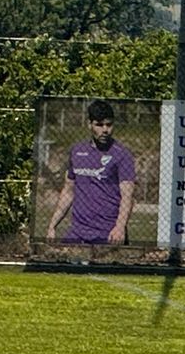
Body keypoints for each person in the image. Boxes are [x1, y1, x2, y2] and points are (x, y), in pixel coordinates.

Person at [46, 99, 137, 245]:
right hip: (78, 232)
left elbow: (128, 197)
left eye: (109, 124)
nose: (105, 130)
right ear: (90, 124)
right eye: (99, 125)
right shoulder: (77, 151)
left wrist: (119, 228)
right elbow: (68, 191)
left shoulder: (122, 155)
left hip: (108, 233)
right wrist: (52, 225)